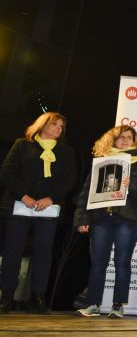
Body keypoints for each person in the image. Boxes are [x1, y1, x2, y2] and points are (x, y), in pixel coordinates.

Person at [73, 125, 137, 317]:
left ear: (135, 141)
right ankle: (92, 304)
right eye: (120, 137)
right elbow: (86, 194)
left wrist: (133, 185)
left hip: (128, 219)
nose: (125, 140)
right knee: (98, 262)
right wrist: (82, 219)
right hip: (101, 217)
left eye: (129, 137)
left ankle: (118, 305)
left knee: (122, 262)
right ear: (113, 141)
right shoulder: (101, 162)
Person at [0, 112, 76, 313]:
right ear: (42, 125)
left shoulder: (66, 151)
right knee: (12, 250)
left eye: (61, 126)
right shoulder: (22, 145)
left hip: (48, 208)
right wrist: (23, 196)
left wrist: (50, 199)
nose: (59, 128)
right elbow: (7, 171)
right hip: (20, 204)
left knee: (43, 251)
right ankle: (6, 294)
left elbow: (69, 180)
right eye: (55, 124)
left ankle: (38, 297)